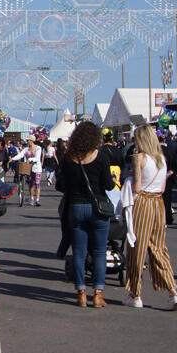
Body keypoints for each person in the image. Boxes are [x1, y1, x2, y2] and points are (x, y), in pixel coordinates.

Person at [55, 123, 115, 308]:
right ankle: (98, 294)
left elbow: (61, 185)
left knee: (79, 253)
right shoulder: (101, 156)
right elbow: (108, 185)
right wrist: (111, 179)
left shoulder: (68, 158)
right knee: (98, 252)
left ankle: (81, 293)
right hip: (97, 208)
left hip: (76, 207)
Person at [123, 126, 177, 310]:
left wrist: (130, 178)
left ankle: (136, 294)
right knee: (158, 248)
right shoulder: (161, 160)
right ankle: (173, 291)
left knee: (137, 248)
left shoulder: (138, 158)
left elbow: (138, 188)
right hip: (158, 204)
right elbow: (163, 188)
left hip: (144, 203)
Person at [158, 131, 177, 226]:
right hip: (169, 176)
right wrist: (173, 172)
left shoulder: (156, 151)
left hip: (159, 176)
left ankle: (160, 216)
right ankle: (168, 216)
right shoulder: (171, 150)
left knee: (159, 197)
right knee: (167, 198)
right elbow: (176, 163)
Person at [18, 138, 44, 205]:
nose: (27, 142)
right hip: (28, 168)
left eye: (28, 140)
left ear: (32, 140)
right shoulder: (26, 149)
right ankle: (31, 198)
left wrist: (30, 159)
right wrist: (13, 158)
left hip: (37, 168)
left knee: (37, 184)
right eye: (27, 140)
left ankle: (37, 199)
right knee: (31, 184)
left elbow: (37, 158)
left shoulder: (38, 148)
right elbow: (20, 155)